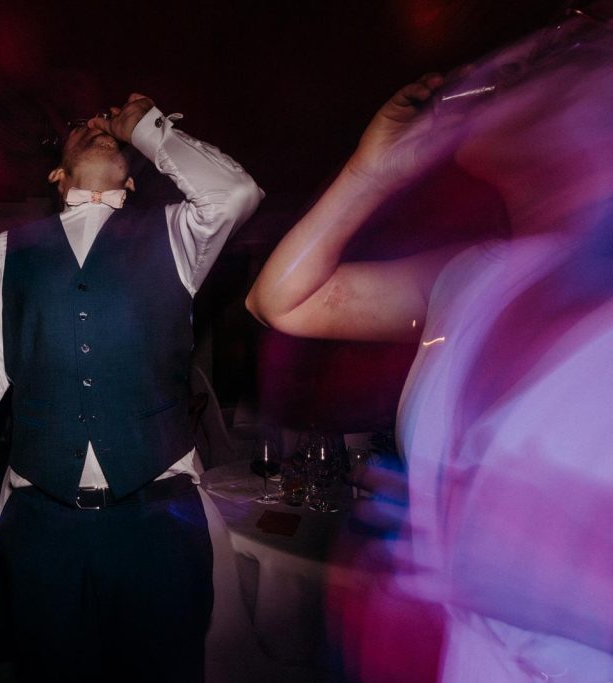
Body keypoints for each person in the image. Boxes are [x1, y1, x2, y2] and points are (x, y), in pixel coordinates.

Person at [246, 4, 613, 680]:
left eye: (543, 60)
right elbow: (283, 301)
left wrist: (569, 575)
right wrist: (376, 170)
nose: (494, 72)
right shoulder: (476, 276)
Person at [0, 93, 262, 680]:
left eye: (108, 126)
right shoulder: (7, 249)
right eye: (82, 126)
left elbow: (236, 194)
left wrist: (145, 125)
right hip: (41, 524)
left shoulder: (175, 232)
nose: (99, 126)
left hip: (158, 522)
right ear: (56, 172)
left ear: (133, 168)